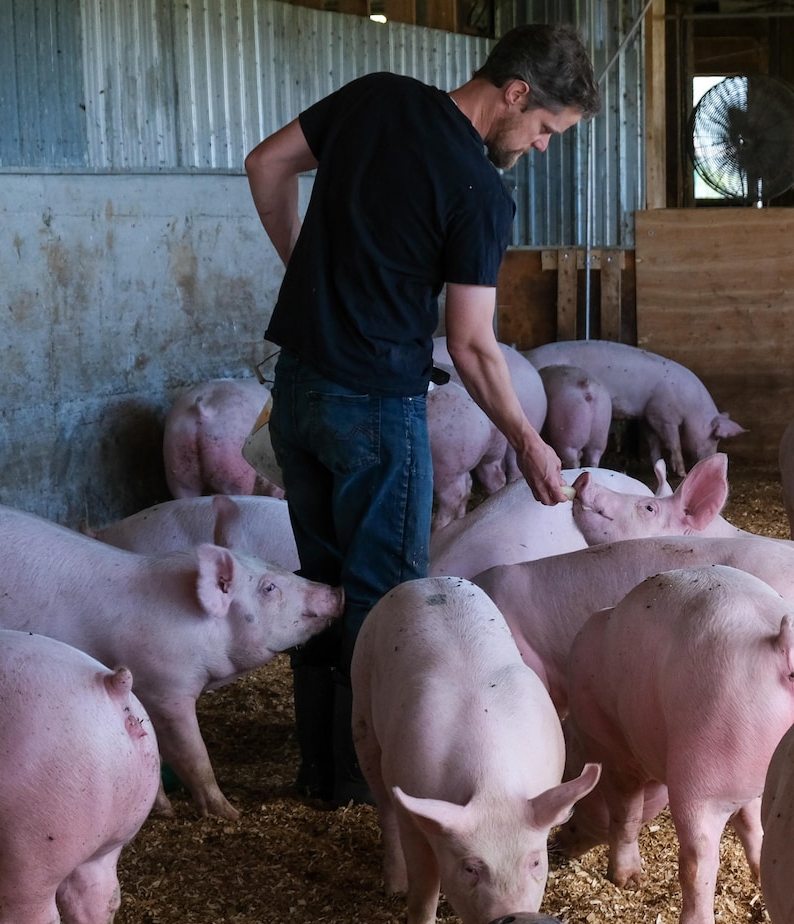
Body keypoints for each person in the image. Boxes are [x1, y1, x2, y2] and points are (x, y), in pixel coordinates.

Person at [244, 25, 599, 804]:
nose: (541, 147)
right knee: (391, 605)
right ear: (514, 94)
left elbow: (265, 164)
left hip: (298, 391)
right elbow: (472, 348)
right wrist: (529, 442)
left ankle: (325, 773)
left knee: (322, 582)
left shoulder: (375, 96)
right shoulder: (478, 194)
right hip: (375, 404)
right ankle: (385, 788)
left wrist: (304, 270)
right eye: (545, 129)